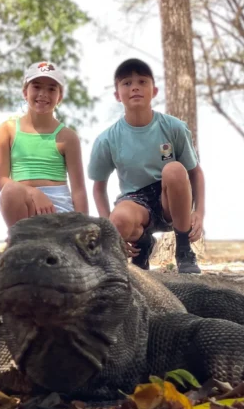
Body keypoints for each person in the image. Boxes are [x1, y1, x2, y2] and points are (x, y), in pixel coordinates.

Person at [88, 58, 205, 273]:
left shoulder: (174, 127)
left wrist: (199, 212)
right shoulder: (107, 139)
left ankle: (184, 250)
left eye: (142, 82)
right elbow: (98, 187)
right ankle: (143, 245)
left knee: (174, 169)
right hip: (136, 201)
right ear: (117, 94)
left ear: (154, 90)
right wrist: (110, 232)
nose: (135, 87)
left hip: (169, 198)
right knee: (118, 220)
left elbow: (195, 172)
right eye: (126, 83)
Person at [0, 61, 88, 226]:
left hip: (59, 210)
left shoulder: (68, 136)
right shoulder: (7, 130)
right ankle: (19, 240)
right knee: (9, 191)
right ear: (25, 92)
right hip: (25, 207)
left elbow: (78, 190)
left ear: (60, 97)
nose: (43, 94)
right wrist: (33, 192)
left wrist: (85, 228)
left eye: (51, 89)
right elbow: (1, 179)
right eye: (36, 87)